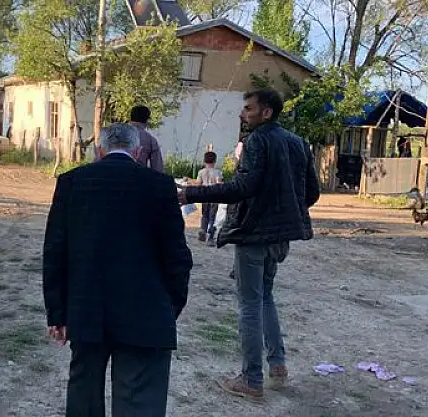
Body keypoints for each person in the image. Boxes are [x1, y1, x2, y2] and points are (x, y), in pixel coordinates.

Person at [179, 88, 320, 402]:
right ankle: (277, 365)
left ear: (266, 112)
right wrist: (283, 213)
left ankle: (251, 379)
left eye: (248, 109)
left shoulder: (257, 141)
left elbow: (243, 187)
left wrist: (191, 193)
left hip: (254, 234)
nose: (243, 114)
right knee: (265, 296)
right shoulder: (298, 143)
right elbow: (311, 192)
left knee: (249, 304)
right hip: (280, 237)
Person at [43, 123, 192, 417]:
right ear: (138, 152)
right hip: (146, 311)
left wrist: (57, 313)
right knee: (139, 401)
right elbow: (177, 256)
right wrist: (170, 306)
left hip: (86, 310)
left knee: (84, 394)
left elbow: (55, 251)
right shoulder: (160, 185)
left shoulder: (72, 182)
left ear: (99, 150)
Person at [185, 151, 223, 246]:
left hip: (204, 196)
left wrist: (189, 180)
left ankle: (203, 230)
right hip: (215, 197)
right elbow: (219, 184)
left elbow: (198, 183)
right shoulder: (217, 172)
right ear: (215, 161)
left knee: (204, 215)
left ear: (204, 161)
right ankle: (210, 237)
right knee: (212, 216)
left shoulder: (201, 172)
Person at [129, 105, 164, 172]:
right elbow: (157, 168)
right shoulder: (150, 140)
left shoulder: (116, 134)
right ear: (147, 120)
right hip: (139, 175)